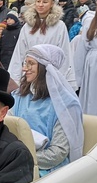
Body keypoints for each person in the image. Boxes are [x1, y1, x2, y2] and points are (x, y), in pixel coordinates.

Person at [11, 45, 84, 176]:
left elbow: (58, 152)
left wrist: (22, 158)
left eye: (31, 63)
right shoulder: (19, 96)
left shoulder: (65, 105)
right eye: (25, 63)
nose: (24, 68)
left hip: (46, 171)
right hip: (14, 162)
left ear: (45, 68)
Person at [8, 0, 75, 88]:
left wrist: (62, 81)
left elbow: (64, 53)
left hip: (50, 75)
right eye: (38, 1)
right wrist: (15, 80)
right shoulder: (27, 27)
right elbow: (19, 53)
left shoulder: (59, 26)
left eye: (45, 2)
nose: (40, 5)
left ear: (52, 4)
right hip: (29, 73)